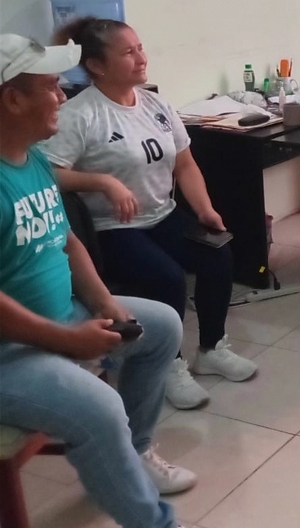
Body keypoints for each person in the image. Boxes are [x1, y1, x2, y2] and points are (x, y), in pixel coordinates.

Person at [0, 33, 197, 528]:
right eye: (51, 87)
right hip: (9, 352)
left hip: (59, 317)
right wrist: (67, 340)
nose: (62, 97)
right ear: (13, 99)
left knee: (162, 326)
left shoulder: (33, 159)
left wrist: (105, 302)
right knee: (100, 407)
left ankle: (132, 454)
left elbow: (66, 241)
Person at [40, 17, 257, 410]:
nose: (141, 58)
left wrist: (205, 210)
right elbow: (49, 172)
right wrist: (102, 182)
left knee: (217, 256)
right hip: (113, 227)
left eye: (140, 48)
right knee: (166, 278)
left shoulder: (156, 104)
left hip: (163, 214)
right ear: (97, 65)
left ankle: (211, 349)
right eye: (128, 52)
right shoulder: (80, 114)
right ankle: (169, 364)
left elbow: (185, 165)